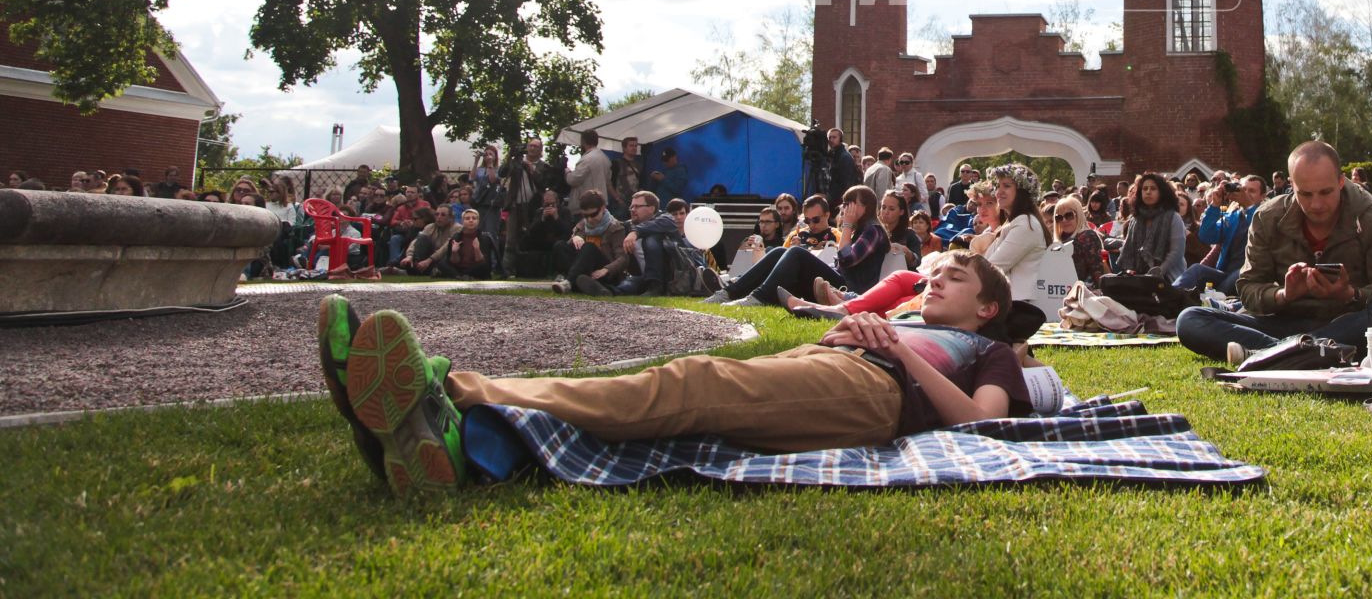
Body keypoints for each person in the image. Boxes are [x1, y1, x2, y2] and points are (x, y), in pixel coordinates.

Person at [321, 251, 1031, 493]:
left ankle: (452, 389)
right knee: (674, 420)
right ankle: (457, 446)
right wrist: (858, 330)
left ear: (989, 305)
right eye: (934, 274)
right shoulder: (908, 320)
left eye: (956, 278)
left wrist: (898, 350)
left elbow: (986, 422)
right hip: (834, 363)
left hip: (876, 391)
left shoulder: (988, 351)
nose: (934, 282)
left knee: (692, 384)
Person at [1175, 142, 1372, 363]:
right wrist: (1283, 295)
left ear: (1341, 181)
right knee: (1190, 319)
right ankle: (1308, 352)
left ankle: (1279, 353)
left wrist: (1350, 294)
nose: (1317, 204)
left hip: (1348, 321)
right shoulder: (1268, 217)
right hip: (1282, 321)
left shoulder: (1370, 216)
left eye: (1326, 192)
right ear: (1292, 186)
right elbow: (1248, 287)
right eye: (1305, 194)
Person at [716, 188, 884, 307]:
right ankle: (730, 292)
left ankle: (759, 297)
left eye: (851, 204)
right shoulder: (859, 230)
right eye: (845, 203)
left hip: (848, 290)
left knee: (796, 253)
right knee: (781, 251)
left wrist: (846, 225)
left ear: (865, 207)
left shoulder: (873, 230)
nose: (845, 208)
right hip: (837, 283)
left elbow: (847, 260)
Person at [1178, 175, 1265, 295]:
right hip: (1225, 273)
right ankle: (1166, 296)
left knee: (1237, 276)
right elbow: (1206, 236)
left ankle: (1214, 302)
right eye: (1243, 189)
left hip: (1249, 274)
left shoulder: (1266, 216)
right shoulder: (1233, 216)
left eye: (1252, 191)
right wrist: (1214, 205)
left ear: (1263, 196)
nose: (1246, 194)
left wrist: (1249, 206)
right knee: (1196, 270)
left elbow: (1260, 231)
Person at [973, 171, 1048, 296]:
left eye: (1006, 186)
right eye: (998, 186)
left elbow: (993, 268)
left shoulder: (1025, 224)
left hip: (1019, 306)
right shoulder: (1016, 221)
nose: (999, 192)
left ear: (1022, 192)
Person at [1111, 171, 1186, 283]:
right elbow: (1129, 250)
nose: (1148, 192)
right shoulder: (1135, 219)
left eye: (1153, 188)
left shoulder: (1173, 217)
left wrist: (1160, 270)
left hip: (1169, 278)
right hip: (1139, 278)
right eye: (1144, 189)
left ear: (1162, 192)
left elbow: (1177, 251)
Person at [553, 189, 628, 295]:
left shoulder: (615, 228)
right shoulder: (582, 225)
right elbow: (570, 249)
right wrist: (575, 238)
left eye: (593, 214)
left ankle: (569, 282)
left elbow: (623, 258)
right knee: (560, 245)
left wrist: (606, 270)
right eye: (585, 216)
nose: (589, 219)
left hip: (603, 270)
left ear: (602, 208)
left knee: (589, 247)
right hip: (583, 268)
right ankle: (575, 282)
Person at [1051, 196, 1107, 283]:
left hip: (1084, 292)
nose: (1064, 220)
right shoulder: (1057, 241)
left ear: (1079, 215)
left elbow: (1097, 272)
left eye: (1069, 215)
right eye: (1059, 217)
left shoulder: (1087, 236)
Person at [566, 130, 613, 214]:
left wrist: (567, 172)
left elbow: (573, 180)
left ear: (583, 141)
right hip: (601, 204)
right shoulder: (605, 159)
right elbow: (608, 181)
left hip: (586, 205)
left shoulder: (587, 159)